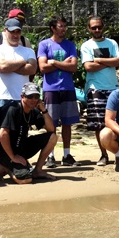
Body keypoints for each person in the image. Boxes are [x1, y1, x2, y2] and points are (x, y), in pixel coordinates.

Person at [0, 82, 58, 183]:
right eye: (30, 96)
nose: (33, 99)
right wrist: (13, 157)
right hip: (4, 149)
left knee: (52, 137)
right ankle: (2, 167)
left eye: (36, 96)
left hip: (20, 146)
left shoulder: (33, 111)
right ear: (22, 96)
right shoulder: (13, 109)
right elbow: (2, 134)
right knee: (24, 179)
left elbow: (51, 129)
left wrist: (44, 110)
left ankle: (37, 171)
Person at [80, 15, 119, 166]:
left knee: (117, 123)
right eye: (94, 27)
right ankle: (103, 155)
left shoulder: (112, 43)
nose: (97, 30)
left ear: (103, 27)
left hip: (113, 87)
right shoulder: (86, 46)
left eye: (99, 27)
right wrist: (109, 62)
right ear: (89, 29)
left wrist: (99, 60)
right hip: (95, 89)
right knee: (98, 124)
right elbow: (88, 67)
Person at [37, 16, 80, 167]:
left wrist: (54, 62)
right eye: (60, 26)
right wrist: (63, 64)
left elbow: (73, 67)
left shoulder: (70, 45)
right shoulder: (44, 45)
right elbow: (42, 67)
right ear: (53, 28)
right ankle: (51, 156)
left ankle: (67, 155)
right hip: (51, 89)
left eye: (64, 26)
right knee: (51, 123)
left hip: (67, 88)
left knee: (67, 123)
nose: (63, 29)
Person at [0, 18, 37, 111]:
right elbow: (3, 66)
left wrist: (9, 67)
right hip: (1, 97)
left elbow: (32, 69)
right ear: (5, 31)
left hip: (22, 99)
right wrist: (23, 61)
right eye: (12, 32)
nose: (15, 35)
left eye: (18, 32)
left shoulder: (29, 51)